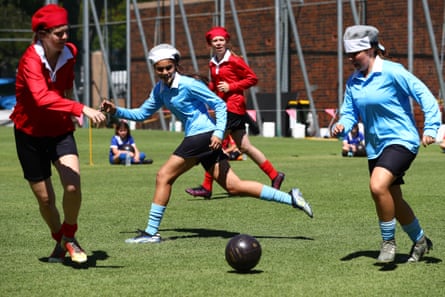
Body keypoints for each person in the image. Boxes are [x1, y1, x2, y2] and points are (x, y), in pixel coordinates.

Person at [100, 44, 313, 243]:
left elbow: (219, 104)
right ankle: (292, 198)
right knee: (234, 187)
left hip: (202, 136)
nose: (165, 72)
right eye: (160, 69)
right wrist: (115, 111)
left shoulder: (188, 84)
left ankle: (151, 232)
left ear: (175, 65)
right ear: (155, 69)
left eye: (168, 67)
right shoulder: (159, 90)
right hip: (203, 138)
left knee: (163, 176)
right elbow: (141, 113)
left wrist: (219, 133)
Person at [331, 25, 440, 263]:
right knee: (393, 199)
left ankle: (388, 243)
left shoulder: (393, 72)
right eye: (348, 54)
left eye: (354, 54)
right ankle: (421, 241)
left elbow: (425, 96)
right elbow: (349, 112)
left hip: (402, 140)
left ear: (370, 49)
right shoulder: (354, 82)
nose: (350, 59)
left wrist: (431, 128)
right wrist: (341, 126)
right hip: (375, 147)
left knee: (377, 186)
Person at [10, 4, 106, 263]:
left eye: (67, 32)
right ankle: (60, 240)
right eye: (58, 34)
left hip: (60, 130)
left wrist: (74, 112)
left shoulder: (70, 53)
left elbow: (64, 89)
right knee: (45, 200)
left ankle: (70, 236)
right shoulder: (30, 60)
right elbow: (41, 98)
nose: (65, 38)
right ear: (42, 34)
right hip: (28, 134)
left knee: (72, 187)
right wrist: (81, 108)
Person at [185, 27, 285, 199]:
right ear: (210, 44)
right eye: (215, 41)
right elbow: (214, 86)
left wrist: (231, 87)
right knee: (245, 147)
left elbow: (252, 78)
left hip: (232, 108)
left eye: (221, 40)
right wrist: (201, 92)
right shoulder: (212, 62)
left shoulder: (235, 60)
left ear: (226, 42)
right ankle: (275, 175)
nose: (218, 43)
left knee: (213, 144)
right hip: (226, 108)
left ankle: (207, 187)